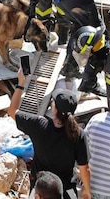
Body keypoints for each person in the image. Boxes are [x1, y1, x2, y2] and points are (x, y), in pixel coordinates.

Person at [9, 67, 91, 199]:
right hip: (67, 191)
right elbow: (84, 167)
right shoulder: (78, 134)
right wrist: (87, 190)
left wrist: (21, 84)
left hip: (40, 190)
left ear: (54, 109)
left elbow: (12, 111)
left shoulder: (38, 125)